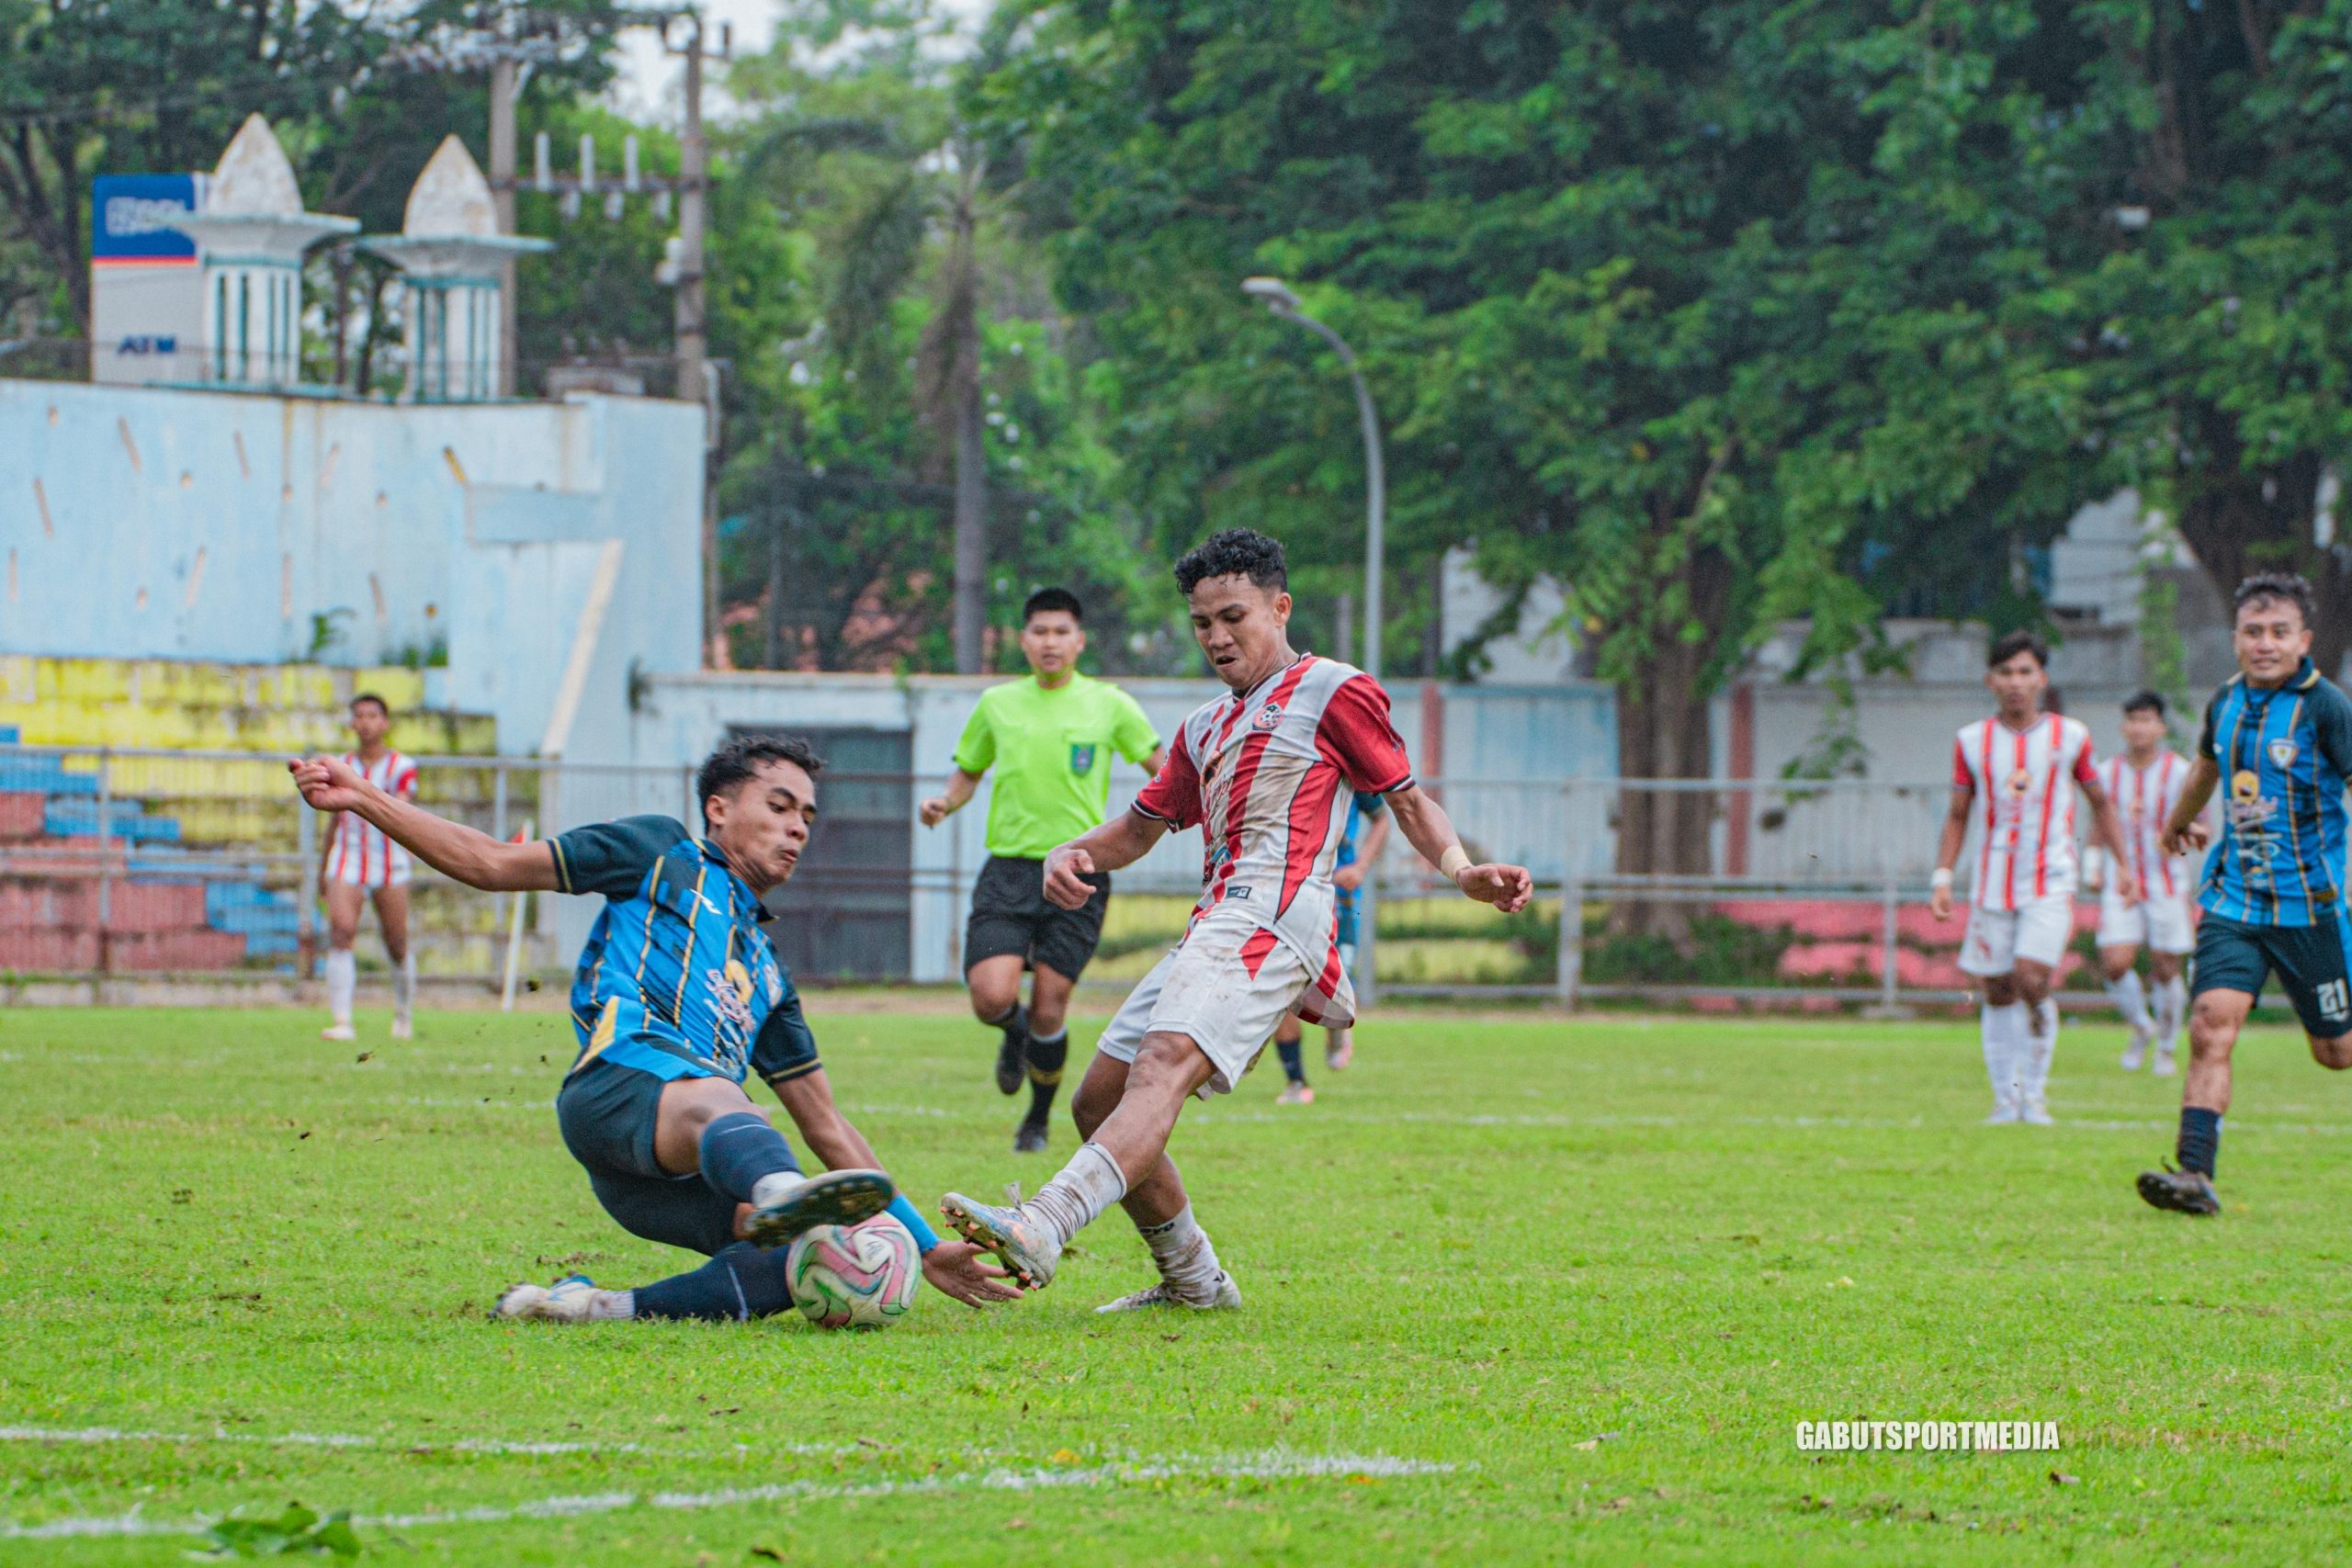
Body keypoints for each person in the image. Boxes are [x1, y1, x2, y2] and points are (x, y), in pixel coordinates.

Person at [935, 529, 1533, 1310]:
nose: (1217, 637)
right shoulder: (1202, 727)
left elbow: (1408, 799)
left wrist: (1462, 871)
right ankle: (1194, 1282)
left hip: (1278, 916)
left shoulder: (1334, 688)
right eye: (1201, 623)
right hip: (1215, 921)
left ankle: (1045, 1222)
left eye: (1233, 616)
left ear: (1280, 608)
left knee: (1161, 1068)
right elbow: (1140, 827)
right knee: (1095, 1100)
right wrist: (1069, 850)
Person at [288, 734, 1017, 1321]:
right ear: (719, 808)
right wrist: (364, 798)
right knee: (727, 1102)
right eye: (781, 804)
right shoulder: (662, 852)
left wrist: (923, 1245)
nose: (798, 825)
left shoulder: (765, 974)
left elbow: (829, 1124)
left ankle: (594, 1308)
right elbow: (490, 862)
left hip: (667, 1180)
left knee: (795, 1261)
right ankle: (777, 1192)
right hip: (616, 1090)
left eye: (808, 816)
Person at [920, 588, 1165, 1154]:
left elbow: (1164, 767)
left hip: (1081, 868)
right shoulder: (998, 705)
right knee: (989, 996)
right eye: (1039, 632)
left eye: (1061, 632)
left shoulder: (1111, 705)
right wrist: (943, 803)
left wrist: (1192, 800)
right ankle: (1014, 1033)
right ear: (1024, 641)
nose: (1050, 642)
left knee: (1052, 1003)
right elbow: (968, 773)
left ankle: (1036, 1118)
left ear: (1079, 641)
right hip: (1009, 868)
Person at [2138, 573, 2352, 1217]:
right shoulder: (2225, 701)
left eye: (2279, 632)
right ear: (2235, 638)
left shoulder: (2325, 706)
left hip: (2312, 908)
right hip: (2234, 902)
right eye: (2253, 632)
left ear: (2303, 639)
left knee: (2335, 1052)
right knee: (2210, 1028)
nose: (2265, 644)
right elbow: (2207, 764)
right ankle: (2195, 1174)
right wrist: (2176, 821)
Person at [1930, 630, 2136, 1125]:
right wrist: (1942, 876)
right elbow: (1959, 814)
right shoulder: (1971, 741)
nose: (2016, 682)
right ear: (1990, 680)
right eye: (2006, 672)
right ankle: (2007, 1099)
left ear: (2041, 678)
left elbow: (2100, 803)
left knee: (2030, 976)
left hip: (2051, 878)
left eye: (2025, 672)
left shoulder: (2072, 736)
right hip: (1992, 882)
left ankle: (2036, 1092)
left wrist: (2123, 865)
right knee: (1998, 989)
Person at [2081, 691, 2199, 1075]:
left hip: (2164, 881)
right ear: (2123, 726)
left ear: (2160, 727)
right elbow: (2099, 822)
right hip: (2123, 880)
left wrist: (2178, 842)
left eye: (2147, 720)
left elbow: (2201, 827)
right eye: (2133, 720)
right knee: (2115, 961)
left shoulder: (2179, 772)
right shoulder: (2107, 772)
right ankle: (2141, 1027)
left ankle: (2166, 1046)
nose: (2139, 728)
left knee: (2166, 967)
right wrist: (2092, 864)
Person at [1272, 790, 1390, 1103]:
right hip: (1286, 890)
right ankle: (1297, 1081)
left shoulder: (1348, 767)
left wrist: (1361, 867)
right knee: (1278, 984)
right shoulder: (1278, 765)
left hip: (1338, 891)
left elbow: (1382, 818)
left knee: (1333, 980)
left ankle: (1336, 1022)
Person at [315, 693, 418, 1043]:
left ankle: (403, 1013)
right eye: (358, 715)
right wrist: (322, 866)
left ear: (385, 722)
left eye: (373, 715)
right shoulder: (339, 765)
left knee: (396, 942)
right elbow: (332, 821)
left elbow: (401, 812)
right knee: (341, 933)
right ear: (351, 722)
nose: (365, 722)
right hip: (348, 857)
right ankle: (342, 1020)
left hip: (390, 862)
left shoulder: (402, 767)